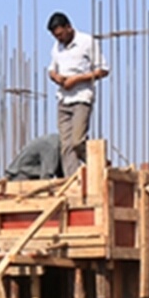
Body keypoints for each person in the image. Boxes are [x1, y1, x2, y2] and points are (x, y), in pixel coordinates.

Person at [47, 12, 109, 177]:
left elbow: (103, 70)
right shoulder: (57, 47)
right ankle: (73, 180)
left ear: (69, 27)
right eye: (55, 36)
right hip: (63, 99)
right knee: (66, 146)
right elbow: (51, 69)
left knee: (77, 141)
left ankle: (99, 162)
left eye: (60, 34)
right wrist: (57, 77)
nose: (59, 39)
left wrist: (78, 79)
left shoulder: (87, 42)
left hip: (81, 98)